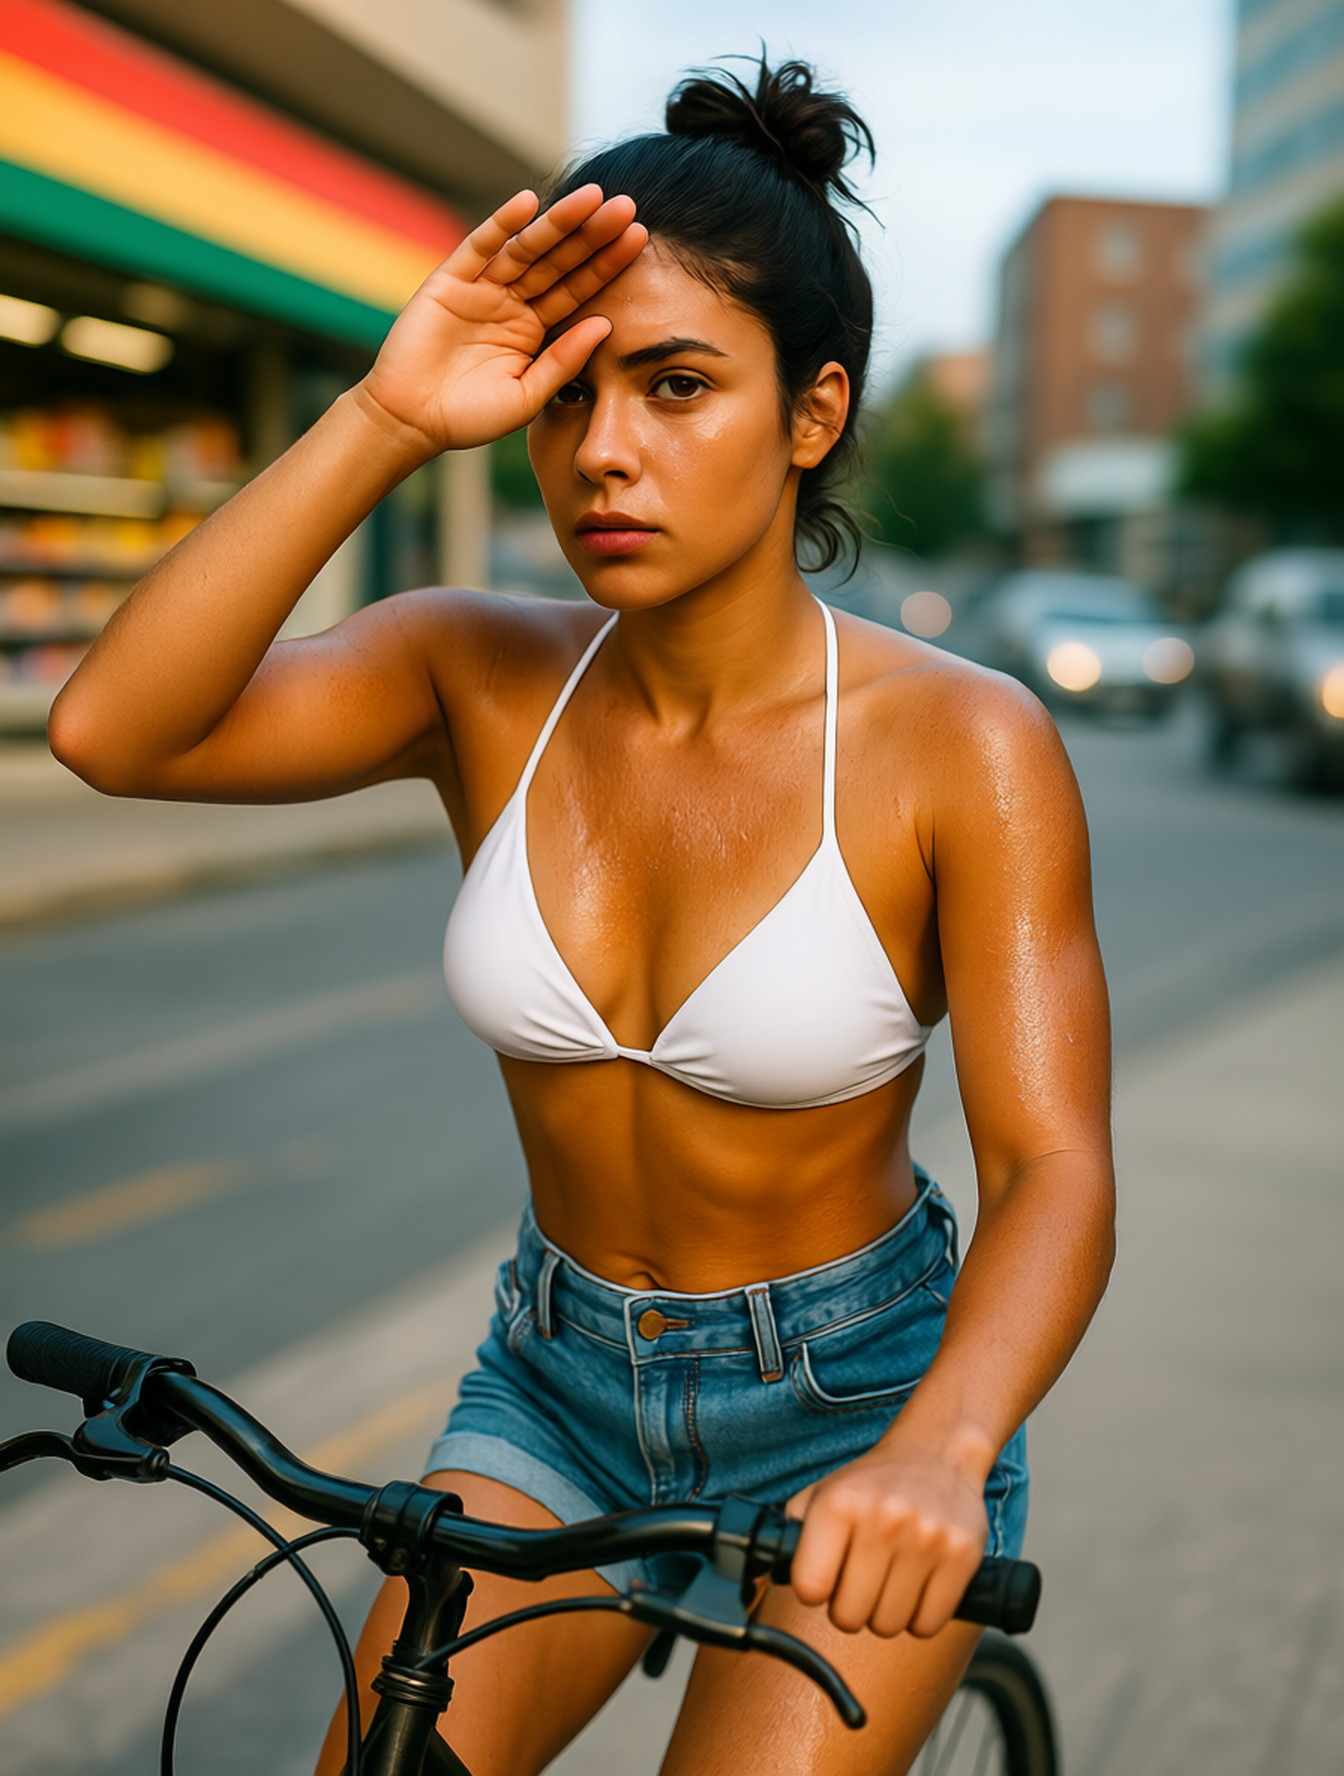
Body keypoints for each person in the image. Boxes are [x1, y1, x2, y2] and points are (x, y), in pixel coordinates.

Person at [49, 57, 1115, 1776]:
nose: (603, 453)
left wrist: (944, 1447)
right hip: (555, 1386)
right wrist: (393, 412)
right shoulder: (472, 670)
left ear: (812, 413)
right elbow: (118, 730)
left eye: (678, 386)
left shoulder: (962, 742)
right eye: (564, 397)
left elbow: (1057, 1169)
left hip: (863, 1406)